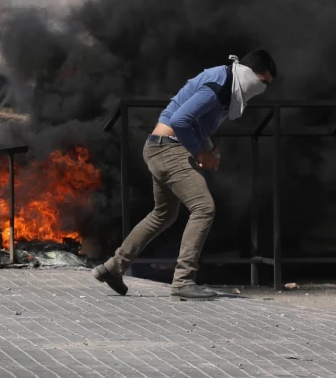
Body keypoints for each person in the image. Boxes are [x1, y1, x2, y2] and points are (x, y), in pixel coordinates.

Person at [92, 50, 277, 301]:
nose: (263, 89)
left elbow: (196, 123)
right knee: (203, 207)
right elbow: (180, 121)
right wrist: (201, 154)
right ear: (250, 73)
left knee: (163, 214)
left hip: (159, 147)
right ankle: (183, 280)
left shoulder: (224, 83)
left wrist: (209, 148)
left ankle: (113, 268)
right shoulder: (219, 84)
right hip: (169, 147)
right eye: (263, 82)